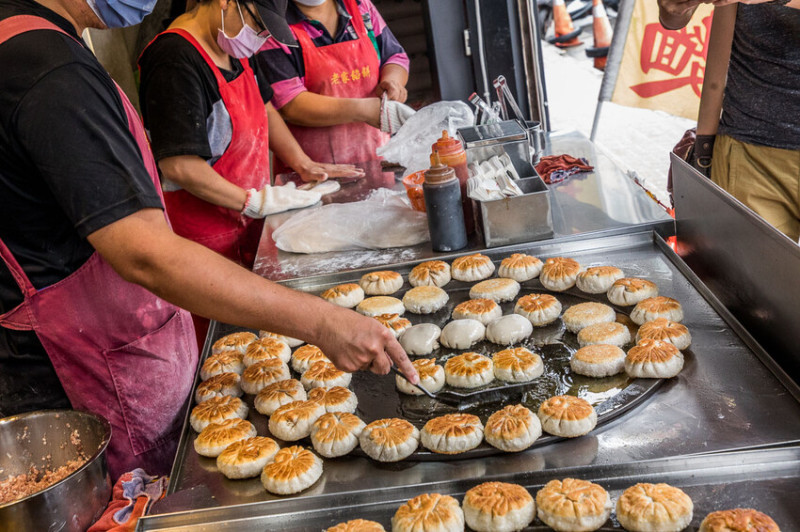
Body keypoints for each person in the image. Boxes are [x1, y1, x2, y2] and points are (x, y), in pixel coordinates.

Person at [0, 0, 417, 479]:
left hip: (121, 338)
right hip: (86, 371)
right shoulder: (49, 69)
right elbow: (147, 253)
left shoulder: (40, 45)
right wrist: (323, 324)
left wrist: (298, 166)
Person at [138, 0, 365, 344]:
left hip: (247, 232)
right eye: (259, 25)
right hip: (204, 247)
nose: (259, 38)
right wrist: (252, 200)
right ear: (227, 2)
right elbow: (179, 165)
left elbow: (264, 106)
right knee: (226, 352)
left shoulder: (230, 45)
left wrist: (303, 163)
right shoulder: (173, 59)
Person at [659, 0, 800, 241]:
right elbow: (673, 17)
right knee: (748, 277)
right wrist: (673, 9)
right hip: (748, 155)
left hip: (749, 148)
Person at [256, 0, 415, 171]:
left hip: (376, 159)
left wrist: (393, 81)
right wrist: (364, 110)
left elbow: (394, 57)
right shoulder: (273, 27)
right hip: (315, 170)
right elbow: (290, 103)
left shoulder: (360, 6)